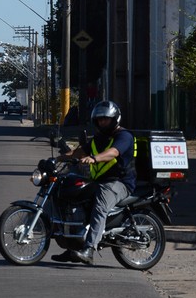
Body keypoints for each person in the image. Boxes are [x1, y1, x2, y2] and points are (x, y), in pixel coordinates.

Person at [52, 100, 136, 265]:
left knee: (100, 206)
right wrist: (57, 159)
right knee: (74, 196)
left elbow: (113, 152)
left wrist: (94, 158)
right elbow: (79, 151)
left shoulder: (124, 136)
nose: (102, 122)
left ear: (114, 119)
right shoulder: (99, 138)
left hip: (120, 182)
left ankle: (89, 249)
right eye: (99, 120)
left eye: (106, 119)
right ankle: (73, 247)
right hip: (100, 181)